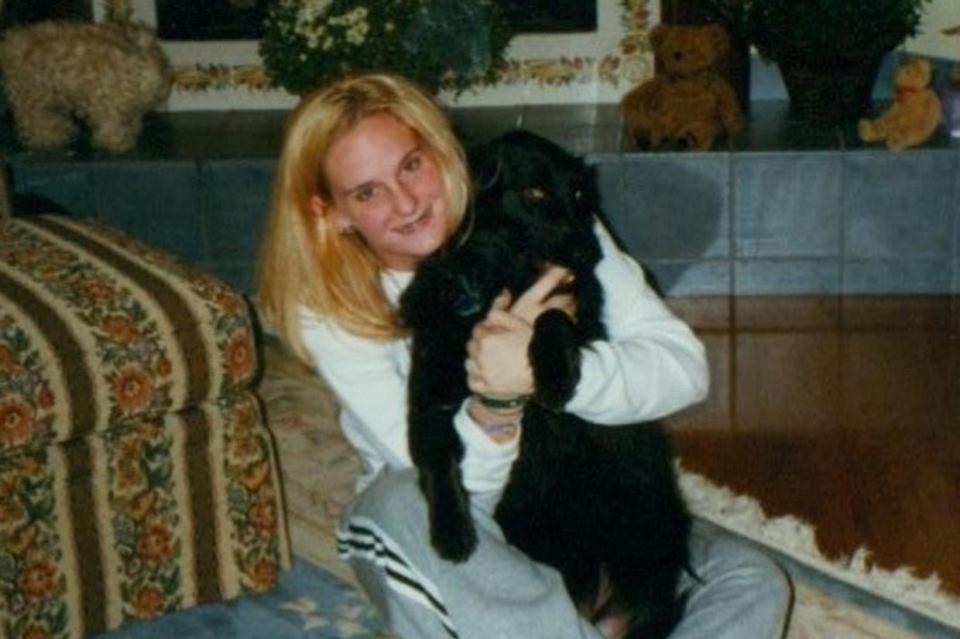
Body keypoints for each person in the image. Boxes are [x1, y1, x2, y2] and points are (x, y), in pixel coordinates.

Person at [257, 71, 791, 639]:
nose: (406, 202)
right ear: (331, 212)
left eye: (411, 165)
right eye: (367, 192)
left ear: (439, 149)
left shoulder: (546, 209)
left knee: (752, 580)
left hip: (581, 499)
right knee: (399, 507)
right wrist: (497, 401)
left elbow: (685, 371)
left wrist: (560, 375)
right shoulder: (333, 307)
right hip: (466, 520)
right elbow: (459, 488)